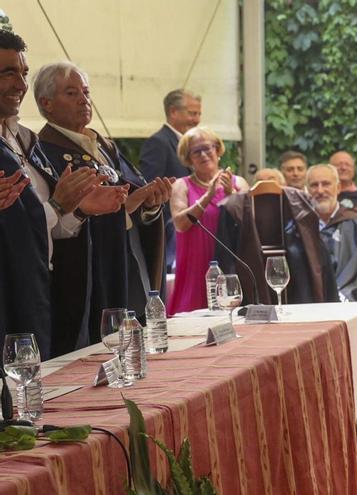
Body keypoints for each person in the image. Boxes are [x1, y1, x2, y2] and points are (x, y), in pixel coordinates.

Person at [35, 61, 171, 355]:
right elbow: (66, 221)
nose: (84, 100)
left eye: (86, 92)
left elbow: (132, 194)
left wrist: (150, 205)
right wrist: (123, 209)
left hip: (130, 262)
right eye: (71, 93)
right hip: (93, 274)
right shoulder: (44, 152)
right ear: (46, 103)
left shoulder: (104, 146)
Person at [0, 30, 121, 358]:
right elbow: (22, 227)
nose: (20, 84)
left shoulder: (24, 140)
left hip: (42, 286)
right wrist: (56, 205)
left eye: (24, 73)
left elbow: (45, 226)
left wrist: (78, 210)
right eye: (8, 72)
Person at [167, 127, 248, 315]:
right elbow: (180, 224)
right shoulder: (181, 185)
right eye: (196, 151)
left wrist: (231, 195)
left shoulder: (238, 183)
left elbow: (249, 225)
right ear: (189, 158)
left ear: (217, 150)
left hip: (230, 263)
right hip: (196, 266)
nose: (203, 155)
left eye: (207, 148)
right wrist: (208, 196)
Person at [139, 89, 202, 276]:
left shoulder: (189, 144)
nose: (197, 120)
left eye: (199, 114)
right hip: (168, 235)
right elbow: (150, 189)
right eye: (192, 113)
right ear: (173, 112)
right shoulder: (158, 143)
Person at [307, 163, 357, 301]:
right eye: (314, 185)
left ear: (338, 188)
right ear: (307, 190)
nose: (320, 190)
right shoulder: (300, 227)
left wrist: (340, 296)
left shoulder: (356, 223)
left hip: (349, 301)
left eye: (326, 184)